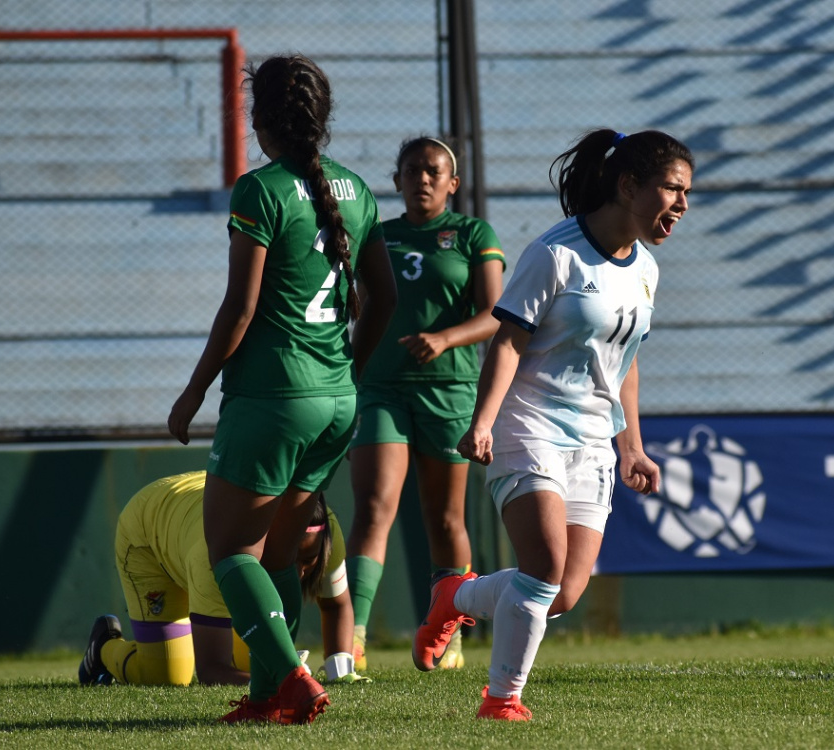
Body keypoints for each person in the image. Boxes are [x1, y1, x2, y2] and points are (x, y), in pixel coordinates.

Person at [412, 129, 694, 720]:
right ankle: (501, 700)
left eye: (686, 192)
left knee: (561, 593)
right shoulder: (554, 252)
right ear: (628, 186)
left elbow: (625, 362)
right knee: (542, 568)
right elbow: (508, 342)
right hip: (529, 424)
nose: (682, 204)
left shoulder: (646, 269)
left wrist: (633, 447)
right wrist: (483, 422)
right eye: (672, 188)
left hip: (593, 440)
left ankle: (455, 596)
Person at [165, 54, 397, 725]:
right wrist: (349, 370)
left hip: (273, 398)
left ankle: (292, 680)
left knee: (231, 552)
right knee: (279, 556)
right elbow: (384, 297)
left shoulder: (259, 190)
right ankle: (268, 698)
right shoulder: (357, 189)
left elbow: (240, 308)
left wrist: (193, 391)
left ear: (261, 118)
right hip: (338, 399)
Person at [345, 136, 505, 672]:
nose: (423, 178)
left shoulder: (472, 234)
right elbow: (356, 303)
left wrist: (444, 338)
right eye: (412, 170)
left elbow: (496, 314)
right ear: (397, 180)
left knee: (444, 517)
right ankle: (352, 638)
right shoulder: (376, 234)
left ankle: (447, 631)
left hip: (450, 389)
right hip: (381, 387)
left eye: (434, 171)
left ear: (452, 183)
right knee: (374, 506)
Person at [77, 471, 370, 689]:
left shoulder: (324, 530)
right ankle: (103, 648)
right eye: (288, 558)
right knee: (166, 676)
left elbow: (336, 605)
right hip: (149, 534)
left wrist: (340, 670)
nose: (296, 574)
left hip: (191, 513)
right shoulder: (218, 554)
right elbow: (211, 670)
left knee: (257, 660)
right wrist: (286, 685)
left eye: (308, 560)